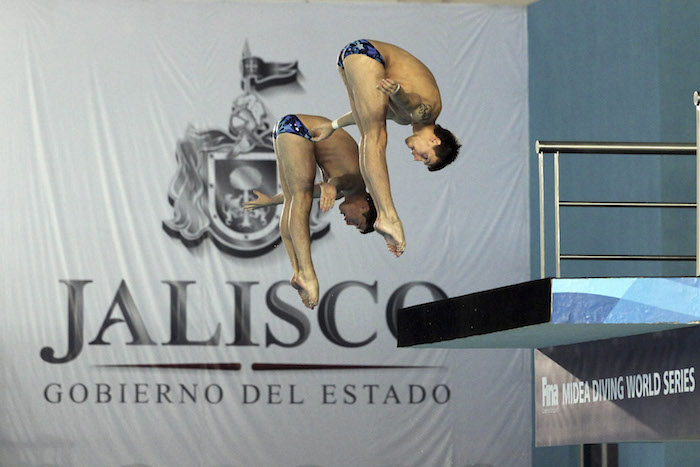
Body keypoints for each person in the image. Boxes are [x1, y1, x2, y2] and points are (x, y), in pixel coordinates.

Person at [312, 39, 461, 258]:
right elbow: (413, 101)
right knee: (375, 136)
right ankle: (388, 216)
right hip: (369, 55)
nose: (416, 158)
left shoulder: (404, 120)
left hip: (351, 57)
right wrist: (398, 91)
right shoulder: (428, 113)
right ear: (434, 141)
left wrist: (333, 126)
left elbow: (365, 112)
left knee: (368, 132)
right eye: (426, 157)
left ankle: (385, 214)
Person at [244, 114, 377, 310]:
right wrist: (331, 185)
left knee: (293, 198)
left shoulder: (343, 193)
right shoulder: (358, 183)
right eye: (356, 222)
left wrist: (271, 201)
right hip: (300, 129)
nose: (348, 222)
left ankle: (298, 270)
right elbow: (342, 179)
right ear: (364, 207)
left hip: (286, 128)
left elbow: (312, 189)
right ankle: (308, 273)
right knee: (300, 198)